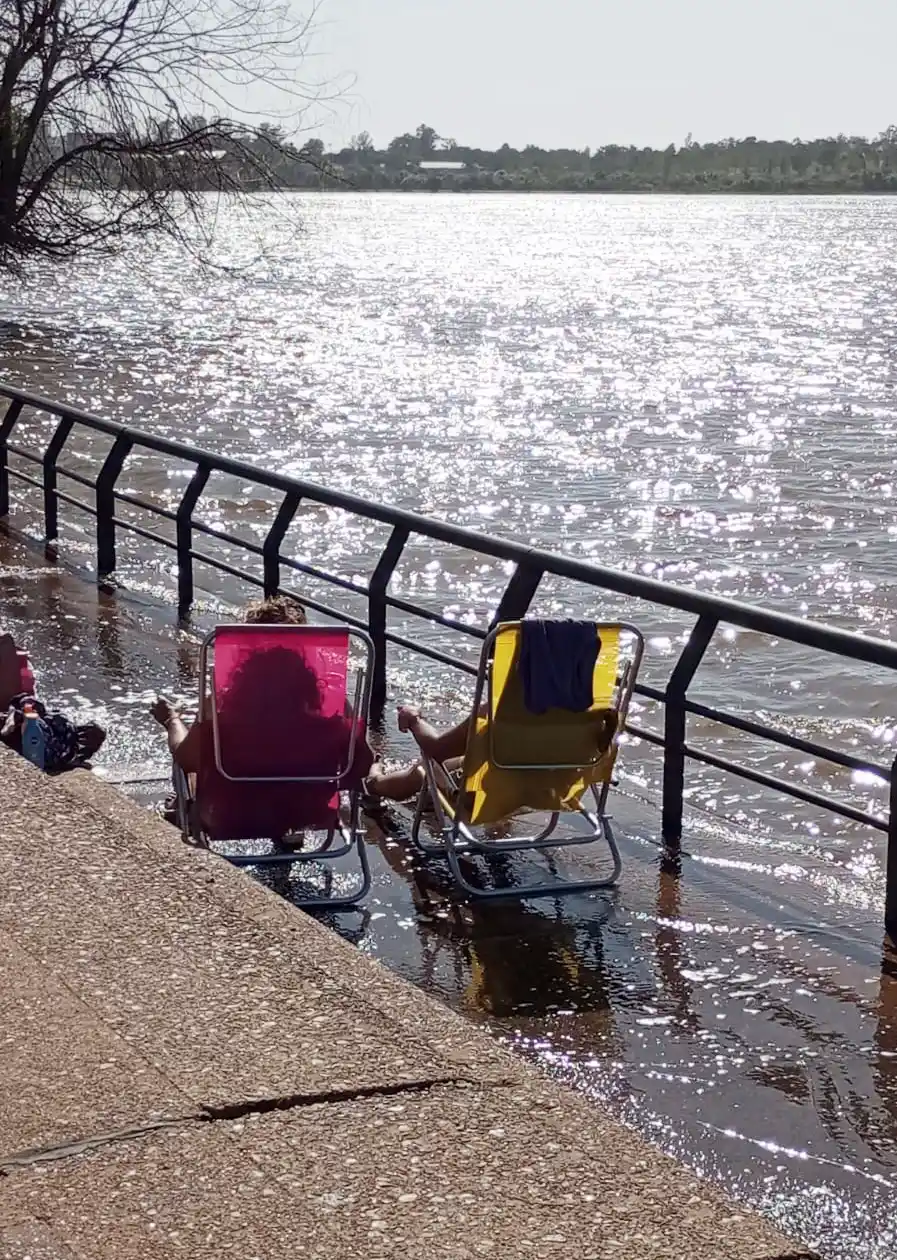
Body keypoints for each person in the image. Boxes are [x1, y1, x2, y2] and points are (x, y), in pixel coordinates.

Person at [0, 631, 106, 769]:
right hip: (25, 725)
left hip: (28, 723)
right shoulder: (6, 644)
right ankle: (23, 723)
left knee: (93, 732)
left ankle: (24, 722)